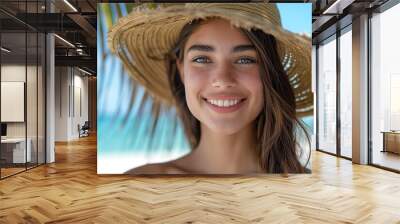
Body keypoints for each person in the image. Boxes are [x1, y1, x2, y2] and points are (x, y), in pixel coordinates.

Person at [108, 3, 312, 174]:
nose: (222, 79)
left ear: (270, 72)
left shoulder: (311, 192)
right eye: (202, 59)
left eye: (244, 59)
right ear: (181, 70)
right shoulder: (139, 185)